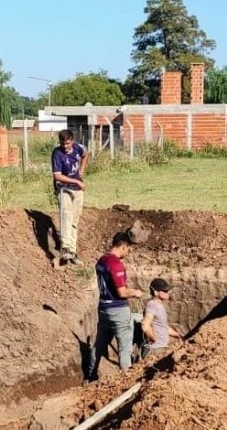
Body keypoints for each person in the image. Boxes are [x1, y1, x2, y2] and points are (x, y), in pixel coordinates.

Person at [87, 231, 143, 381]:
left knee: (99, 345)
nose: (129, 252)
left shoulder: (101, 260)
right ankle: (127, 381)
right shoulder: (116, 264)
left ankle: (90, 376)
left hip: (104, 309)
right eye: (128, 248)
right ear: (123, 246)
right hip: (118, 310)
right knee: (124, 349)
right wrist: (136, 292)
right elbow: (122, 292)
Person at [51, 129, 89, 266]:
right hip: (64, 188)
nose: (65, 146)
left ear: (72, 141)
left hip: (77, 190)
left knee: (74, 220)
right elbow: (57, 175)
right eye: (62, 143)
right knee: (66, 215)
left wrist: (81, 172)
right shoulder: (57, 153)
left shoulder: (78, 148)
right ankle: (65, 248)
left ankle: (72, 252)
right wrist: (76, 181)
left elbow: (85, 154)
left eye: (67, 143)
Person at [141, 278, 181, 358]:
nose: (168, 292)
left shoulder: (159, 305)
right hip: (155, 350)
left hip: (161, 348)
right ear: (156, 292)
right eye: (165, 291)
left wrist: (177, 335)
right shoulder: (152, 305)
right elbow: (145, 326)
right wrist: (154, 339)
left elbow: (163, 326)